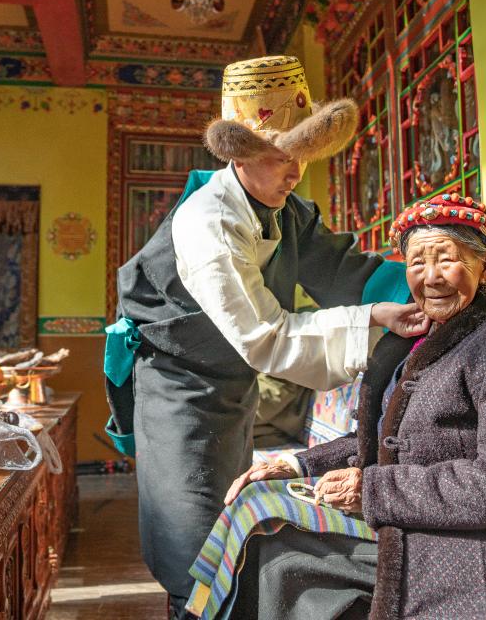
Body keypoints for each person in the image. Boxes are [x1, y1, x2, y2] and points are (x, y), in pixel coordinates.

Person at [104, 55, 426, 619]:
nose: (294, 171)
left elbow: (342, 270)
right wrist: (373, 318)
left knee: (227, 533)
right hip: (177, 388)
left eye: (301, 155)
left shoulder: (289, 211)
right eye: (280, 157)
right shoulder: (208, 221)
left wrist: (425, 289)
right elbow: (265, 336)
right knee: (190, 545)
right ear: (240, 155)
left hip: (232, 389)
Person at [222, 192, 486, 619]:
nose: (431, 277)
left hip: (474, 552)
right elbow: (387, 435)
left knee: (280, 556)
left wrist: (373, 490)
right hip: (416, 522)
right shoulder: (432, 336)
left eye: (447, 260)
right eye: (417, 263)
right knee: (256, 506)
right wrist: (298, 464)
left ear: (485, 266)